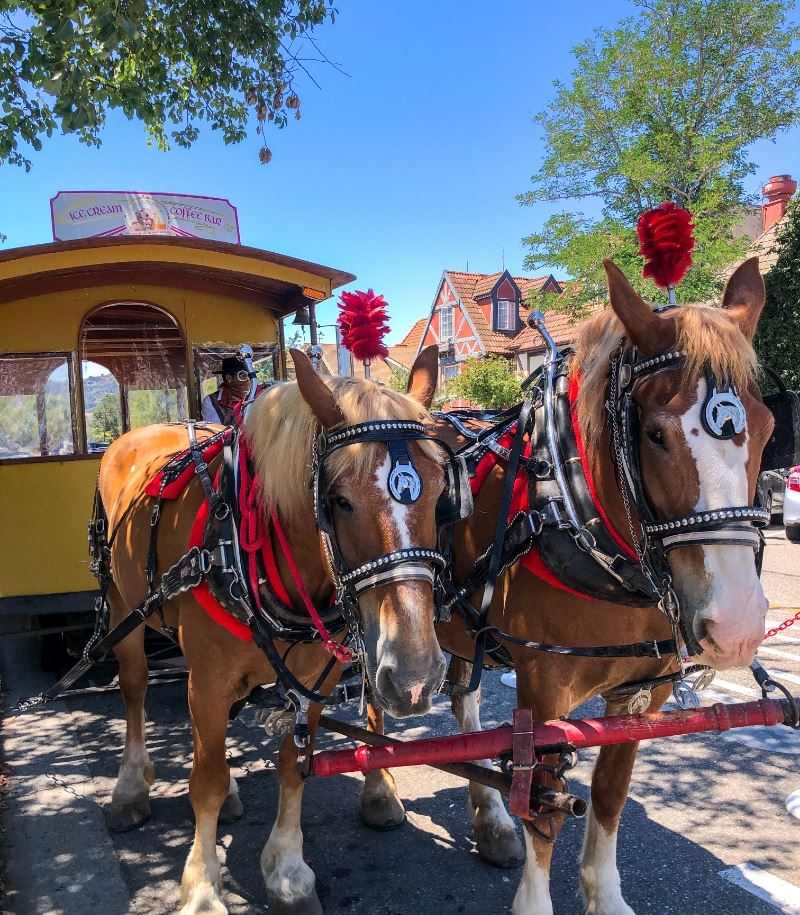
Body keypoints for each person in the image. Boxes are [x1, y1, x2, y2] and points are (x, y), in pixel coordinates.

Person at [201, 356, 252, 425]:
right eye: (242, 376)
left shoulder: (255, 395)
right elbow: (216, 431)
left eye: (250, 376)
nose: (248, 381)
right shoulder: (211, 401)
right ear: (229, 378)